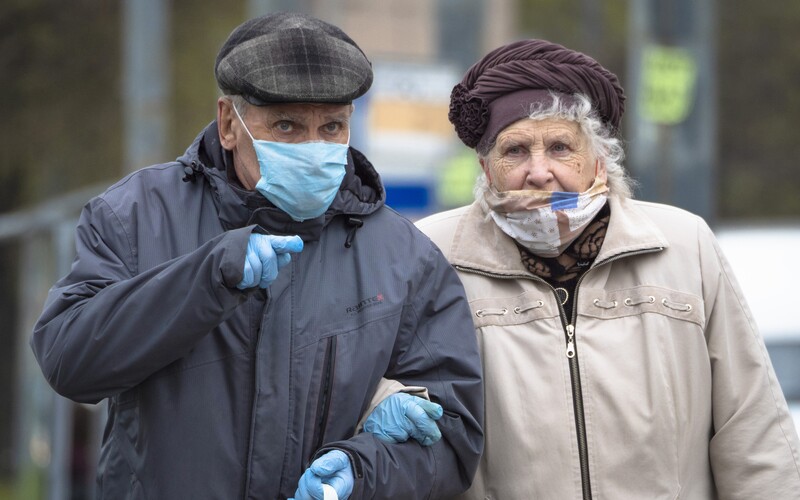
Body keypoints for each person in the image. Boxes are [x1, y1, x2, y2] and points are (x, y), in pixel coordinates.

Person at [29, 12, 483, 499]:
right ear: (229, 123)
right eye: (287, 126)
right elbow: (69, 362)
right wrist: (206, 279)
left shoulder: (404, 255)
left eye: (331, 127)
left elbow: (452, 440)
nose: (314, 149)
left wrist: (365, 472)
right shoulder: (135, 215)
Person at [409, 39, 800, 498]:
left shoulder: (683, 244)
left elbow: (753, 431)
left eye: (560, 147)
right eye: (515, 151)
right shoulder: (431, 253)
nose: (539, 172)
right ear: (485, 167)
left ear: (599, 159)